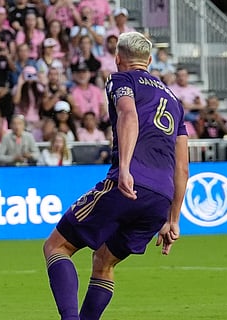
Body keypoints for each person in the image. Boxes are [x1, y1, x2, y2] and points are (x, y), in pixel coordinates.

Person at [43, 31, 189, 319]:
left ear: (118, 58)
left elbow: (128, 114)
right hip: (161, 199)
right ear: (148, 60)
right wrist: (173, 219)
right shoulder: (175, 102)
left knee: (56, 247)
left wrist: (124, 169)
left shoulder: (121, 79)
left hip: (129, 183)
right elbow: (183, 166)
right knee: (104, 262)